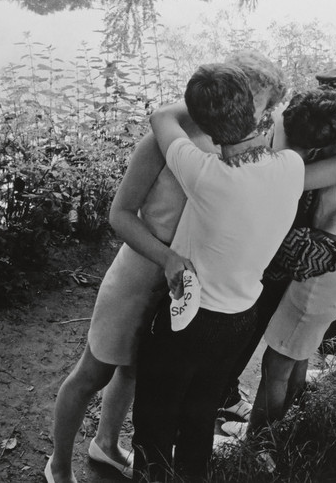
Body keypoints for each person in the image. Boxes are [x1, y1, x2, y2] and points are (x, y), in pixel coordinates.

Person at [45, 52, 286, 483]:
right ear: (233, 95)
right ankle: (59, 466)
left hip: (180, 288)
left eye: (263, 109)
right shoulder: (164, 140)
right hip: (139, 278)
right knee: (92, 373)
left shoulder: (229, 145)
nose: (259, 117)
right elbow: (120, 214)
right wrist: (167, 257)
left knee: (136, 370)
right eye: (257, 104)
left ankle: (106, 445)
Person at [131, 64, 305, 482]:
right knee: (199, 417)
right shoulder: (292, 167)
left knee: (154, 424)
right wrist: (233, 103)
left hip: (188, 320)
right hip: (242, 317)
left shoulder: (206, 175)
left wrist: (205, 106)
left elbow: (161, 118)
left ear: (207, 128)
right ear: (258, 112)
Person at [216, 89, 336, 429]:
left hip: (310, 274)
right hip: (308, 270)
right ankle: (271, 433)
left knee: (279, 360)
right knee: (286, 358)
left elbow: (295, 189)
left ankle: (260, 441)